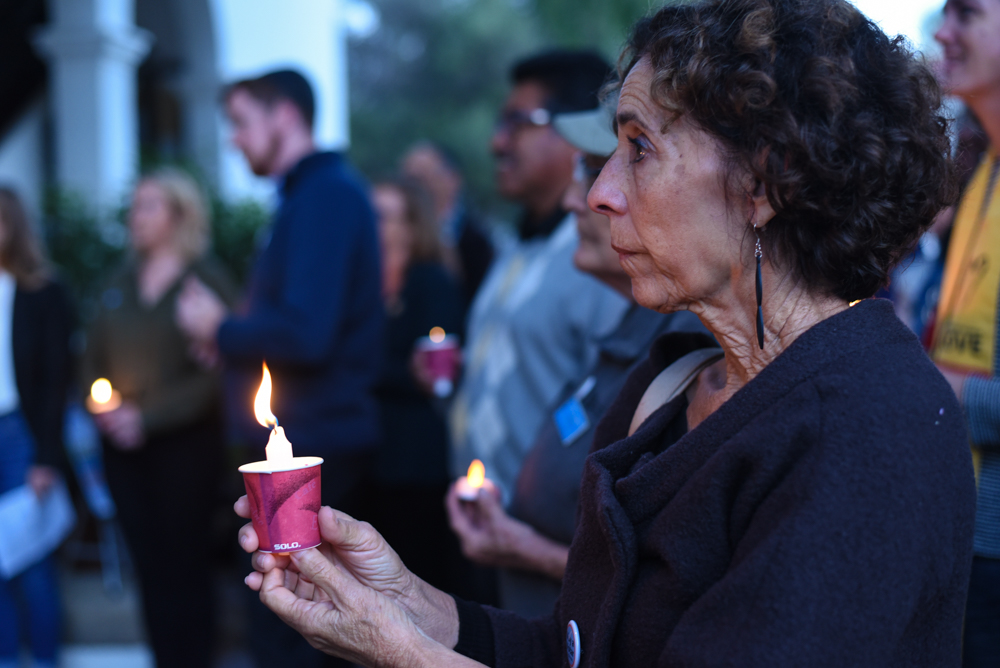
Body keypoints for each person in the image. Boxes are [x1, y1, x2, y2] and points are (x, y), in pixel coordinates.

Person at [234, 1, 975, 665]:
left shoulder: (868, 427)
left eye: (638, 148)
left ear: (765, 180)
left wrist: (405, 657)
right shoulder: (668, 385)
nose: (597, 193)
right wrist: (409, 605)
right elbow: (576, 648)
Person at [446, 98, 709, 617]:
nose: (582, 200)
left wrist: (529, 551)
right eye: (593, 169)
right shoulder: (636, 327)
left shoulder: (695, 354)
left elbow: (670, 586)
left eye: (636, 155)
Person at [175, 69, 384, 668]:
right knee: (288, 621)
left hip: (317, 448)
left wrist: (220, 328)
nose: (234, 139)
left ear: (285, 116)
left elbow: (307, 334)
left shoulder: (325, 197)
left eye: (242, 122)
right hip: (306, 444)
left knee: (298, 629)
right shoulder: (306, 196)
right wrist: (230, 340)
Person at [446, 50, 630, 505]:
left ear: (576, 130)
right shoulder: (517, 246)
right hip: (487, 520)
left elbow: (615, 408)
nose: (497, 142)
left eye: (518, 122)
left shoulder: (604, 253)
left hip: (549, 530)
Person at [82, 169, 237, 668]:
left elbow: (218, 372)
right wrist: (103, 408)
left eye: (149, 205)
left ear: (179, 215)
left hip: (186, 446)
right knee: (147, 564)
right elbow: (90, 358)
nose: (136, 216)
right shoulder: (116, 282)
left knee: (185, 564)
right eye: (134, 206)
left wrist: (147, 418)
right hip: (122, 449)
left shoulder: (205, 281)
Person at [932, 2, 1000, 665]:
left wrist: (946, 390)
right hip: (958, 524)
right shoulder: (982, 174)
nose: (941, 32)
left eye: (967, 14)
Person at [369, 178, 465, 594]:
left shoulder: (430, 281)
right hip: (375, 457)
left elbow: (433, 372)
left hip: (415, 459)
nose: (370, 224)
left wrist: (373, 369)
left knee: (417, 575)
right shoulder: (367, 282)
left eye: (382, 216)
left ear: (411, 227)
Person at [0, 187, 73, 668]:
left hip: (19, 436)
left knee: (30, 562)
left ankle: (45, 661)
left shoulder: (43, 292)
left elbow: (56, 381)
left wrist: (46, 455)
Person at [401, 143, 495, 311]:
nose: (413, 190)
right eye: (407, 180)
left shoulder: (478, 242)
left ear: (453, 179)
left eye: (422, 179)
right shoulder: (396, 237)